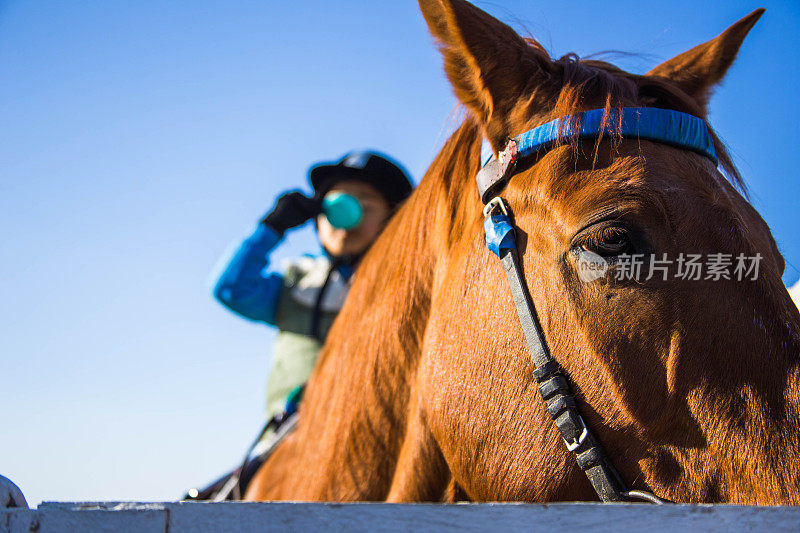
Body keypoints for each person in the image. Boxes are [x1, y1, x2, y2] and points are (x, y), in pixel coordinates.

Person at [213, 151, 413, 422]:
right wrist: (271, 228)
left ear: (392, 219)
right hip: (289, 434)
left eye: (365, 206)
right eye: (335, 206)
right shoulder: (296, 282)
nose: (349, 217)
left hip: (379, 426)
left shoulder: (406, 286)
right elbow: (230, 289)